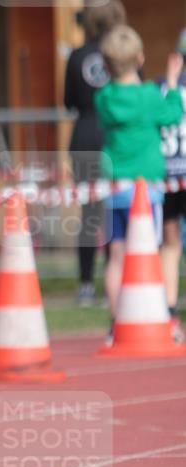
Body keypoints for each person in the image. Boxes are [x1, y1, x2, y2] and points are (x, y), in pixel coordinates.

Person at [94, 25, 183, 337]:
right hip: (147, 193)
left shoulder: (104, 97)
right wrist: (171, 83)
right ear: (141, 58)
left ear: (106, 66)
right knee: (151, 252)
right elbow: (173, 113)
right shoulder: (148, 96)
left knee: (116, 256)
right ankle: (156, 317)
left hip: (115, 188)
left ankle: (117, 322)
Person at [64, 0, 126, 306]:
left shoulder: (77, 55)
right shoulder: (123, 53)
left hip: (84, 136)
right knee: (116, 210)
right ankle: (117, 280)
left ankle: (86, 284)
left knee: (89, 215)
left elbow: (69, 101)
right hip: (114, 135)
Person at [158, 28, 186, 342]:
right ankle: (168, 312)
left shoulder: (161, 88)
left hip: (167, 176)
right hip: (175, 176)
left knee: (170, 244)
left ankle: (169, 311)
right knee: (171, 243)